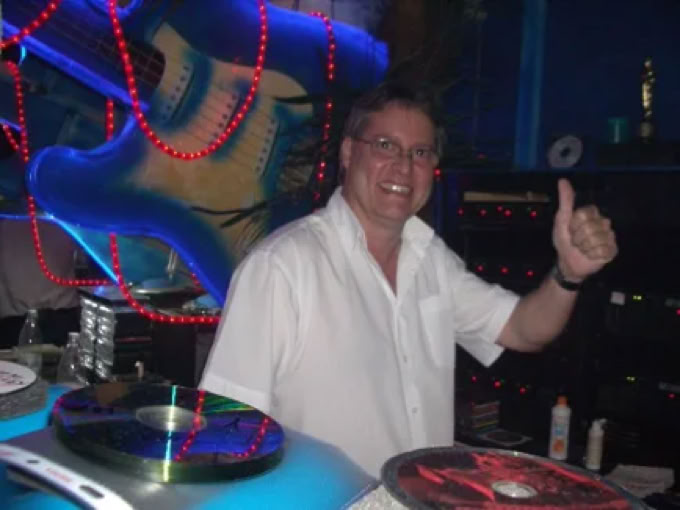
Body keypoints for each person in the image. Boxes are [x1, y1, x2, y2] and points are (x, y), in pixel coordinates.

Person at [200, 82, 618, 477]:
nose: (403, 166)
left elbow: (524, 329)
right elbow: (226, 432)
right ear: (348, 152)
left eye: (420, 152)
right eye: (385, 145)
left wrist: (568, 274)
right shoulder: (281, 267)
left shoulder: (431, 260)